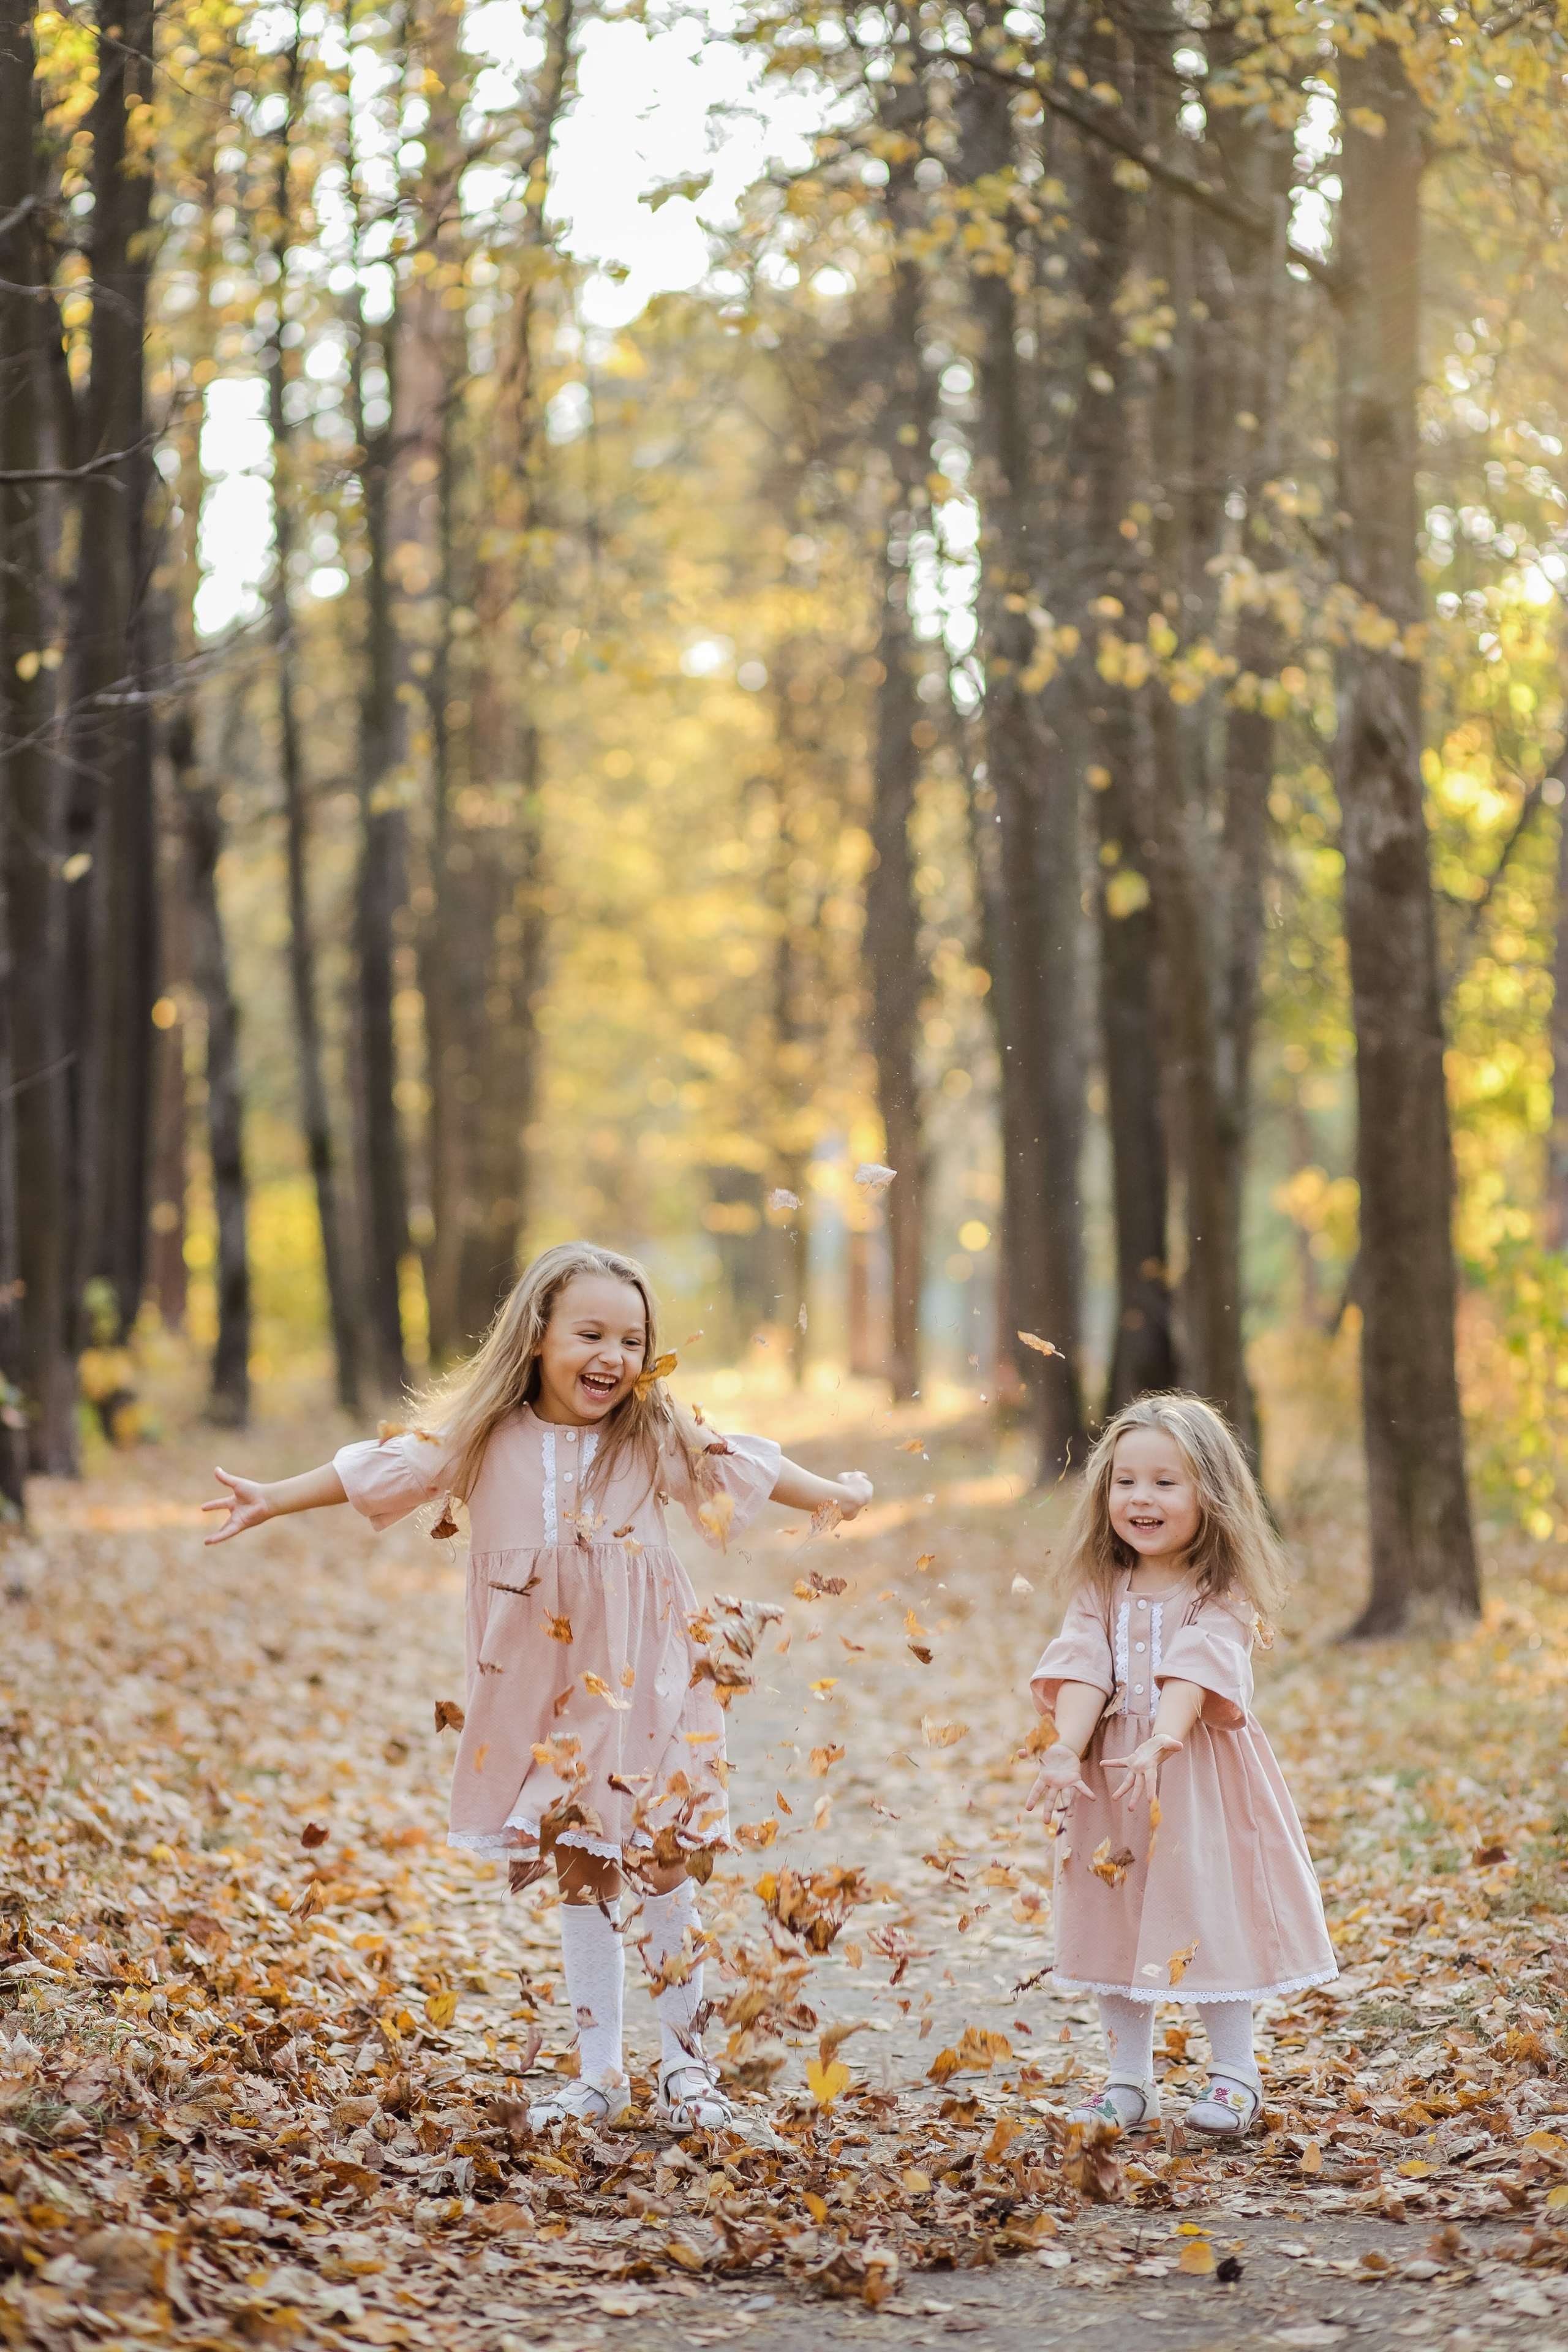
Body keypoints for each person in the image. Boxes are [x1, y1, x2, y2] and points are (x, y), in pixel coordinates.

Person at [204, 1241, 872, 2137]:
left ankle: (688, 2070)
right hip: (547, 1699)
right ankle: (600, 2073)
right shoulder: (486, 1439)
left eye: (632, 1341)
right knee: (585, 1864)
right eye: (590, 1333)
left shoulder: (651, 1432)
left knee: (666, 1855)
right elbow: (381, 1468)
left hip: (652, 1681)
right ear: (535, 1339)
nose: (613, 1357)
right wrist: (272, 1497)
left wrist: (838, 1494)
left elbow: (736, 1467)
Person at [1025, 1393, 1336, 2138]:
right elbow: (1083, 1667)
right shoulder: (1100, 1587)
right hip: (1111, 1776)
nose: (1141, 1498)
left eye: (1166, 1482)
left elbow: (1195, 1671)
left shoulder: (1219, 1593)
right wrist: (1068, 1747)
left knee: (1203, 1910)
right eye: (1125, 1481)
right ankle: (1127, 2081)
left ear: (1210, 1494)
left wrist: (1164, 1736)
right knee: (1112, 1911)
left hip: (1194, 1774)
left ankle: (1235, 2074)